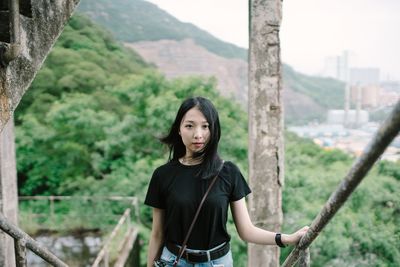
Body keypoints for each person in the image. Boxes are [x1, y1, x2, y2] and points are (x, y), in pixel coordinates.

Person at [145, 96, 309, 267]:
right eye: (189, 126)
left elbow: (246, 231)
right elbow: (157, 234)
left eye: (205, 126)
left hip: (216, 263)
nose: (198, 134)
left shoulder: (228, 172)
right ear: (179, 129)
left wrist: (287, 238)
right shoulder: (163, 175)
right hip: (174, 261)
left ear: (214, 130)